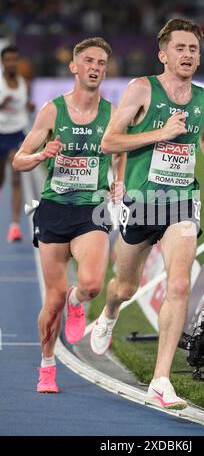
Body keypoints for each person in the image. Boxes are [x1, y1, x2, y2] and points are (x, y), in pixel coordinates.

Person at [90, 18, 204, 410]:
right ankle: (109, 313)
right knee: (125, 287)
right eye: (180, 48)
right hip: (142, 201)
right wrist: (159, 133)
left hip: (182, 201)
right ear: (163, 55)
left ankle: (160, 380)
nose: (187, 55)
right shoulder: (141, 89)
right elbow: (109, 141)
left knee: (179, 285)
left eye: (193, 49)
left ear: (199, 57)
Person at [13, 37, 125, 393]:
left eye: (102, 63)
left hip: (91, 210)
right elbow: (18, 160)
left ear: (105, 70)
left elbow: (120, 154)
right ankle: (47, 364)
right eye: (89, 60)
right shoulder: (52, 111)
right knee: (53, 300)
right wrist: (41, 155)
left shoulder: (113, 113)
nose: (95, 67)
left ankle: (79, 302)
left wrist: (118, 181)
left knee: (91, 285)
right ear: (74, 67)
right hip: (54, 210)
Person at [0, 45, 35, 242]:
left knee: (16, 177)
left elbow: (26, 106)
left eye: (15, 59)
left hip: (17, 134)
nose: (12, 62)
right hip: (0, 133)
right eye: (8, 59)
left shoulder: (23, 83)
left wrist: (29, 106)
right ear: (2, 62)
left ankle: (14, 226)